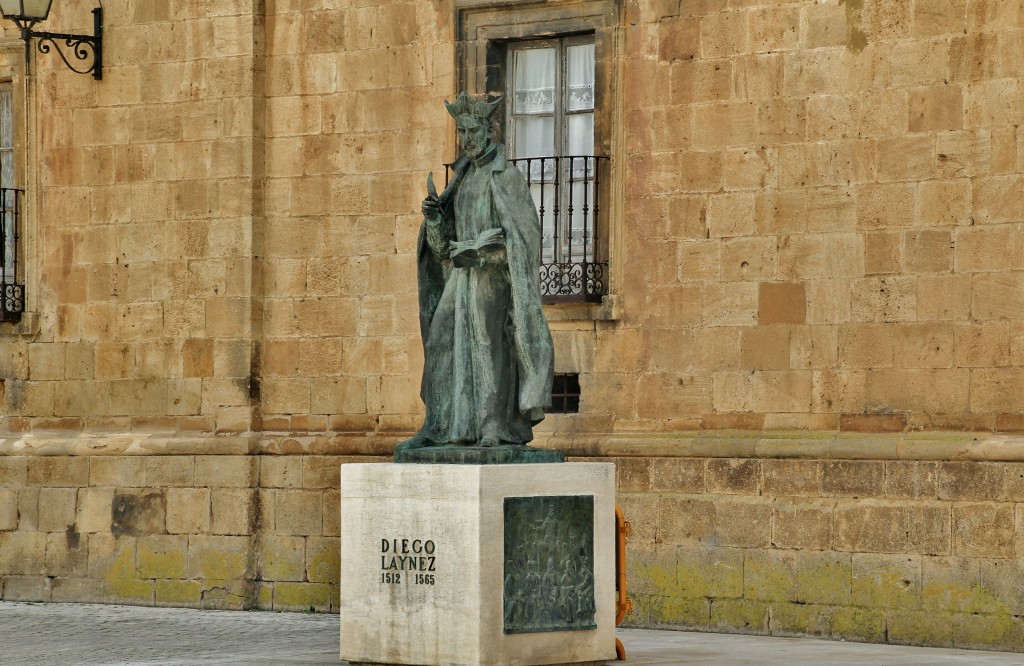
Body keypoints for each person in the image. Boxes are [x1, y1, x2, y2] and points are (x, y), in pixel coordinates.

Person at [397, 92, 554, 451]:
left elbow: (525, 241)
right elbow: (441, 249)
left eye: (472, 130)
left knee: (488, 347)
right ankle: (438, 426)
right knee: (439, 342)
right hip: (460, 278)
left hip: (493, 278)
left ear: (488, 130)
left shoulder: (507, 177)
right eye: (461, 132)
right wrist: (435, 218)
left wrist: (487, 253)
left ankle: (493, 427)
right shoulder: (462, 179)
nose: (466, 139)